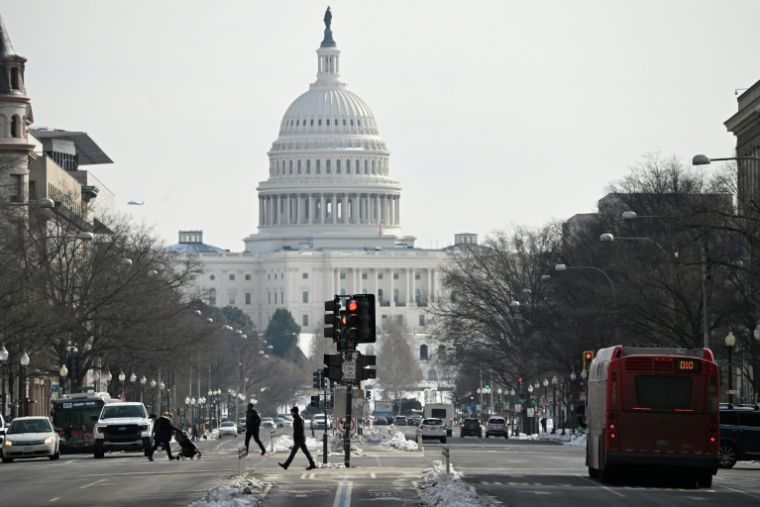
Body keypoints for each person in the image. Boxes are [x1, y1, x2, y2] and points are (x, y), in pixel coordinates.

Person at [278, 406, 316, 471]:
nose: (291, 413)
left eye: (292, 412)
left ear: (295, 412)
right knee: (306, 452)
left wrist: (297, 438)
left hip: (299, 439)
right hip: (300, 439)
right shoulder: (297, 418)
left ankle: (286, 465)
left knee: (293, 452)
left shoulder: (298, 419)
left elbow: (300, 430)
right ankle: (312, 464)